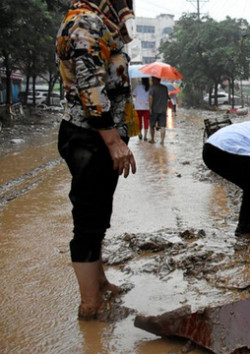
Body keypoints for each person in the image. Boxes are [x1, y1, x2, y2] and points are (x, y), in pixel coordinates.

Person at [56, 0, 136, 319]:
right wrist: (114, 140)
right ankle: (89, 306)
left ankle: (99, 282)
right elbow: (90, 85)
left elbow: (113, 62)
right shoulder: (84, 23)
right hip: (90, 136)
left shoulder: (100, 23)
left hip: (100, 136)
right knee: (88, 220)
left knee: (100, 212)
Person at [148, 76, 169, 144]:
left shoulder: (152, 88)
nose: (151, 80)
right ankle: (162, 141)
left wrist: (150, 108)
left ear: (155, 80)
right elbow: (167, 98)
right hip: (163, 110)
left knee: (152, 126)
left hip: (154, 110)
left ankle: (152, 139)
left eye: (152, 79)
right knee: (162, 126)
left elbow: (151, 98)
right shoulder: (165, 88)